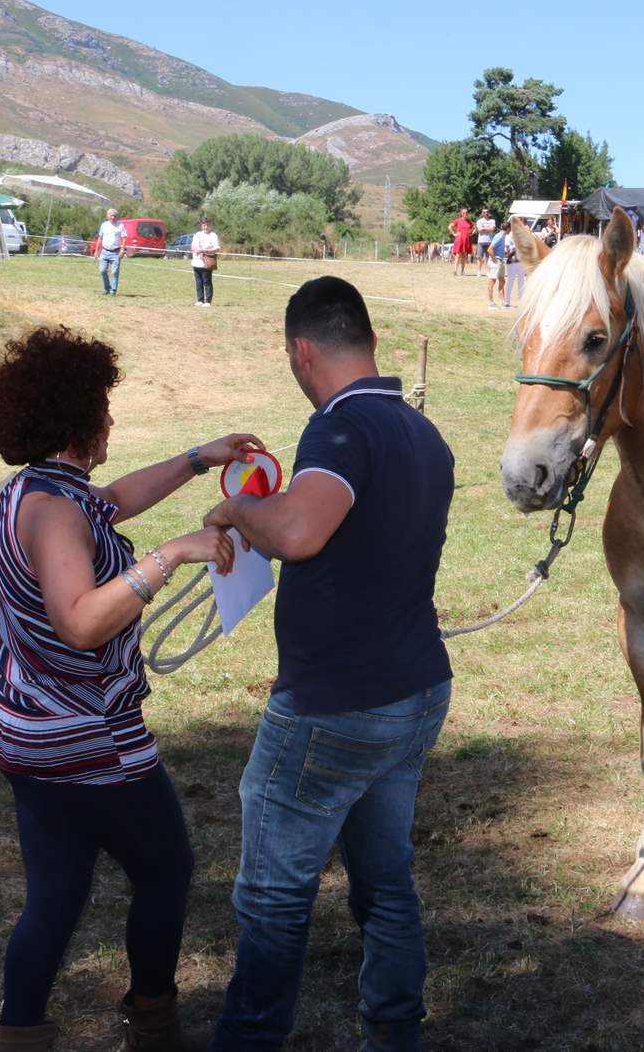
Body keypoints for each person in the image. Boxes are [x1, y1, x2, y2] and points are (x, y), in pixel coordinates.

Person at [0, 325, 260, 1052]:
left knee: (56, 897)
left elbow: (116, 498)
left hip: (31, 730)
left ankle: (19, 1034)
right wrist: (170, 555)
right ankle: (153, 1022)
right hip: (90, 737)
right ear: (78, 418)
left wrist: (201, 458)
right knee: (167, 869)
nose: (111, 419)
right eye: (103, 406)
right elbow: (79, 621)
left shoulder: (38, 490)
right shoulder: (57, 510)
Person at [206, 276, 455, 1052]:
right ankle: (393, 1030)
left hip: (335, 704)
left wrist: (238, 510)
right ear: (370, 341)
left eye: (290, 357)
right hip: (412, 687)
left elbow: (304, 530)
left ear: (302, 350)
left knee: (274, 896)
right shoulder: (425, 433)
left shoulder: (340, 428)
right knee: (385, 880)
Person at [191, 218, 222, 308]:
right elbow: (192, 246)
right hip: (196, 261)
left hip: (207, 262)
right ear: (201, 226)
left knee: (207, 281)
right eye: (204, 225)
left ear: (210, 225)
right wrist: (196, 249)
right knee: (198, 282)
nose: (206, 227)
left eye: (207, 225)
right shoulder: (197, 234)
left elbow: (217, 248)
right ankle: (200, 300)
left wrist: (205, 250)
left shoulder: (213, 235)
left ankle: (208, 301)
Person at [98, 209, 129, 296]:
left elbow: (124, 238)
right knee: (102, 270)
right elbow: (100, 238)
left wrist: (122, 250)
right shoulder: (103, 225)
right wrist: (97, 251)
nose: (113, 217)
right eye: (111, 215)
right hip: (104, 251)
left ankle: (113, 290)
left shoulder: (121, 226)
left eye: (115, 216)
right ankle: (107, 288)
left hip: (116, 252)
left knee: (114, 272)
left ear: (117, 217)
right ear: (107, 216)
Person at [502, 222, 526, 308]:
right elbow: (506, 252)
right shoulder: (508, 237)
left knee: (521, 282)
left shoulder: (521, 235)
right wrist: (513, 249)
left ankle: (522, 302)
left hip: (521, 261)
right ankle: (507, 302)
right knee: (510, 282)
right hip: (512, 262)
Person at [485, 225, 508, 308]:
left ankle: (503, 302)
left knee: (502, 281)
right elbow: (489, 249)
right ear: (508, 229)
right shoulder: (499, 237)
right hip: (496, 261)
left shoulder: (503, 236)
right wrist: (494, 259)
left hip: (500, 261)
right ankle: (491, 302)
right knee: (492, 281)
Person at [448, 209, 473, 276]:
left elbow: (475, 228)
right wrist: (454, 234)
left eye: (467, 212)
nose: (465, 214)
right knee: (458, 255)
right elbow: (450, 227)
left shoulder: (469, 221)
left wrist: (471, 234)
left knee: (464, 256)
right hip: (459, 240)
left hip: (466, 240)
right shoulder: (458, 220)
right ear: (461, 213)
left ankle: (462, 271)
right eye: (464, 212)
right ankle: (455, 271)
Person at [474, 208, 496, 276]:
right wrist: (487, 228)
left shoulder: (492, 220)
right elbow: (480, 230)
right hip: (481, 241)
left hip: (489, 241)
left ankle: (488, 272)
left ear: (488, 213)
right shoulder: (479, 221)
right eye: (484, 212)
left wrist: (484, 228)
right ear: (482, 213)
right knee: (479, 257)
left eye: (487, 212)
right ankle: (479, 272)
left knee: (489, 258)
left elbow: (492, 229)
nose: (485, 213)